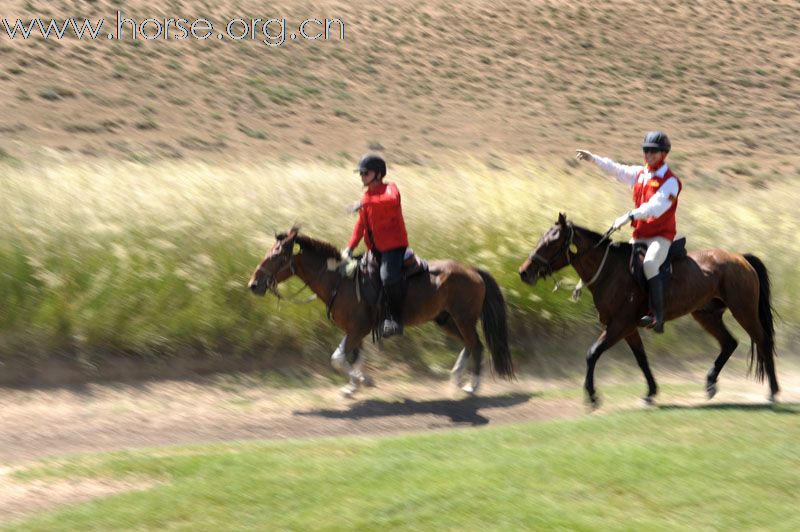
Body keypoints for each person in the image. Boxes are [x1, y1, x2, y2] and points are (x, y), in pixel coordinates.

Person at [576, 131, 682, 333]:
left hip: (660, 237)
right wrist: (594, 158)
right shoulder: (641, 174)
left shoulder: (670, 182)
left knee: (650, 264)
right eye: (646, 150)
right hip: (639, 236)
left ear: (664, 154)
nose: (648, 154)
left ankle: (657, 316)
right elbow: (616, 169)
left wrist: (630, 216)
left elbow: (656, 207)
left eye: (653, 151)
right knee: (616, 263)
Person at [342, 154, 408, 337]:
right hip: (375, 249)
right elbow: (361, 225)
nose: (362, 176)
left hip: (394, 248)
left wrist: (362, 203)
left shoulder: (390, 189)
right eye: (360, 173)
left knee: (387, 277)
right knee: (354, 273)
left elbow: (391, 201)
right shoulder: (366, 196)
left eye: (365, 172)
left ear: (378, 174)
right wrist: (350, 247)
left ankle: (394, 319)